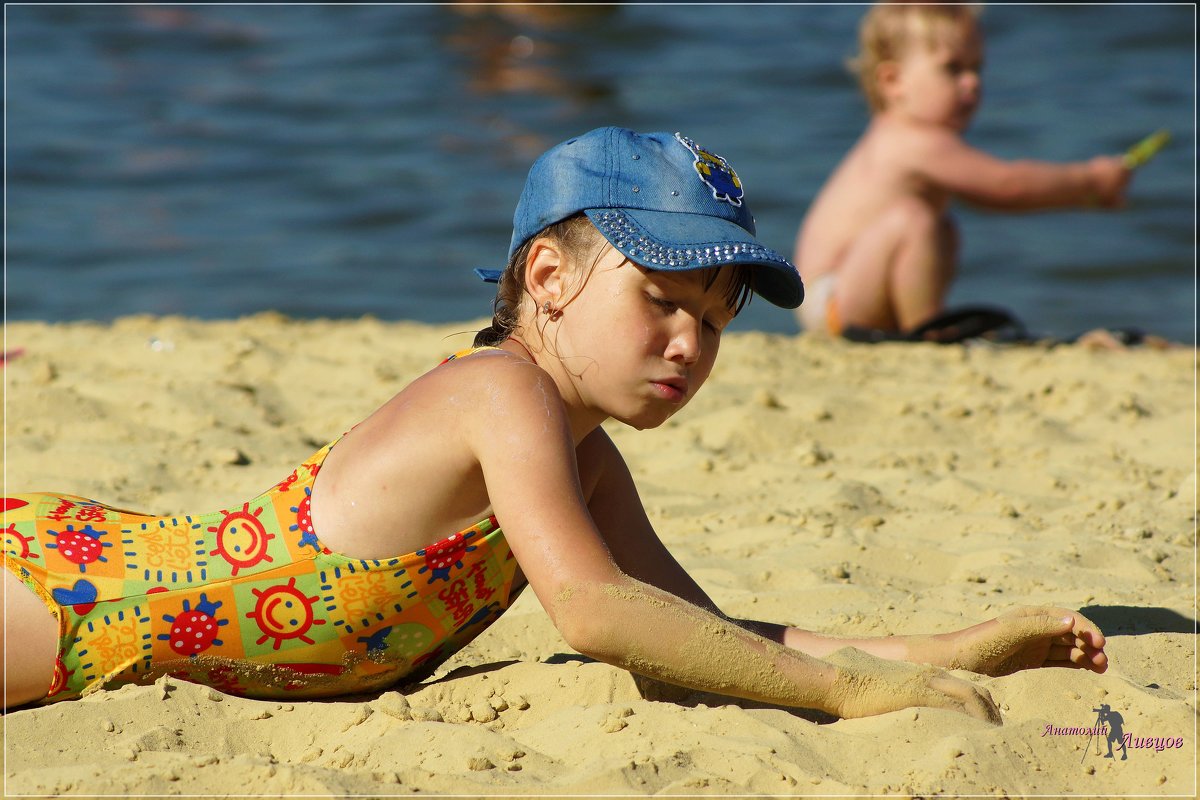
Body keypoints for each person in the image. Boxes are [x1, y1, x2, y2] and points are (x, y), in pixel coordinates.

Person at [3, 127, 1107, 721]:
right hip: (87, 607)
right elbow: (595, 612)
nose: (690, 343)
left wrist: (933, 652)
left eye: (716, 323)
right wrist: (845, 690)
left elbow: (697, 631)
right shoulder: (505, 391)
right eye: (663, 301)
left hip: (114, 612)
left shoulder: (584, 454)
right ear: (549, 275)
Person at [794, 3, 1132, 337]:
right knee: (914, 220)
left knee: (941, 227)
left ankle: (920, 324)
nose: (971, 83)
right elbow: (1008, 185)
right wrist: (1089, 179)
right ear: (893, 81)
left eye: (977, 68)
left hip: (845, 291)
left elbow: (995, 197)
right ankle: (926, 329)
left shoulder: (902, 137)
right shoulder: (911, 140)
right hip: (833, 297)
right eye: (952, 69)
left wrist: (1080, 198)